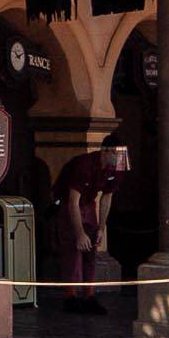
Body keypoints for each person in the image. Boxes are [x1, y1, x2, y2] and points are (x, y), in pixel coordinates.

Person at [51, 132, 130, 313]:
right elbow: (72, 201)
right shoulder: (84, 165)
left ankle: (89, 295)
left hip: (89, 204)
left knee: (92, 249)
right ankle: (70, 296)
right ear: (105, 152)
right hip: (68, 205)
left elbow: (107, 197)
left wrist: (101, 228)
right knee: (73, 250)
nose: (119, 160)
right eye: (116, 155)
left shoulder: (115, 170)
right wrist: (79, 233)